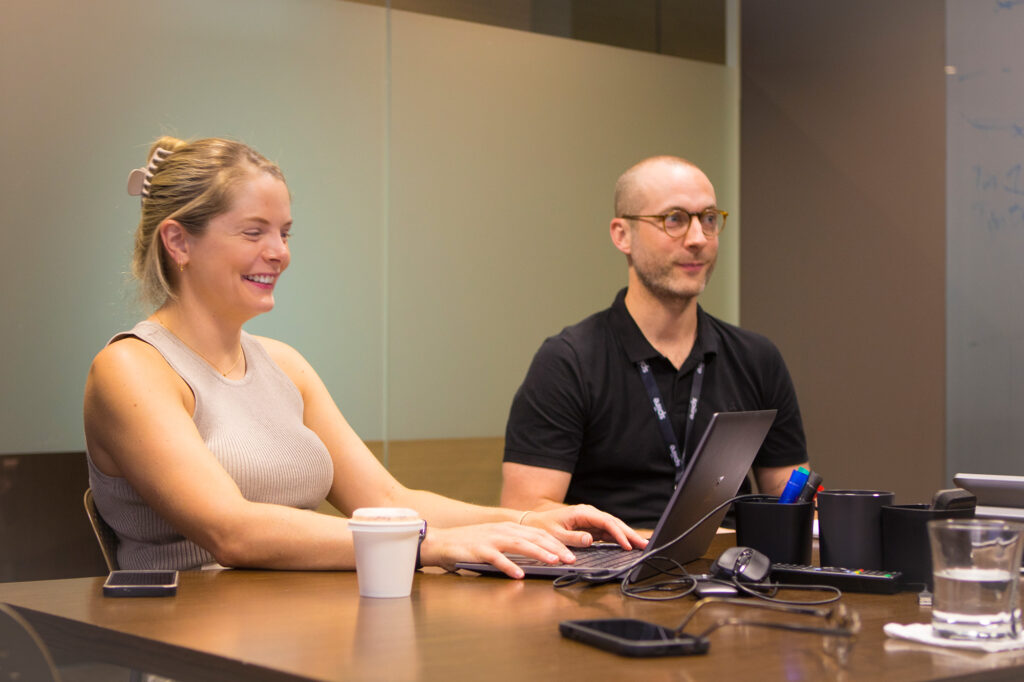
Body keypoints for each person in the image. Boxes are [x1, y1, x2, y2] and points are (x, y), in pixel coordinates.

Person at [83, 136, 645, 578]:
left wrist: (529, 520)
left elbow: (384, 499)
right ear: (178, 242)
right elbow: (231, 531)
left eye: (284, 232)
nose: (278, 253)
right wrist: (425, 545)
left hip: (298, 627)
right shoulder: (132, 369)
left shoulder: (284, 365)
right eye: (254, 232)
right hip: (194, 645)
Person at [501, 155, 809, 528]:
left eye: (708, 219)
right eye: (674, 220)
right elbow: (526, 512)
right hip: (607, 572)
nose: (698, 239)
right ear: (622, 235)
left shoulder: (756, 358)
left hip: (729, 570)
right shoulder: (569, 361)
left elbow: (790, 497)